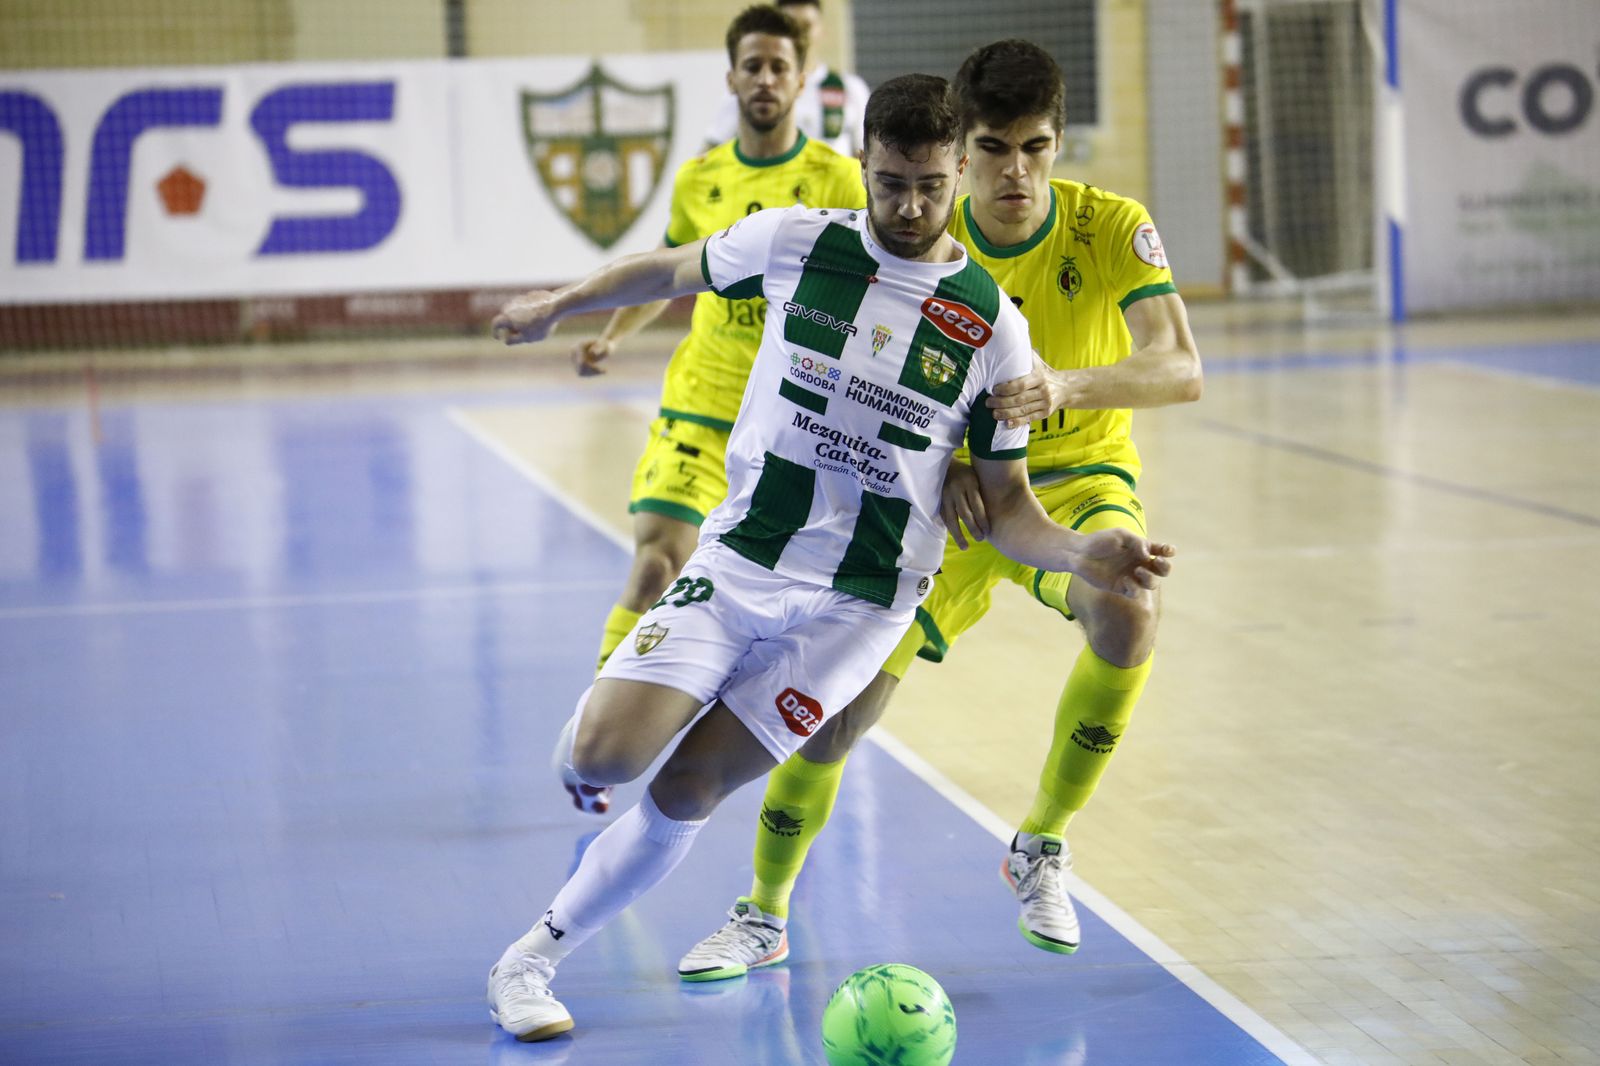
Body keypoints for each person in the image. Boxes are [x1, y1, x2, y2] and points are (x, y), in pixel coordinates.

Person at [484, 73, 1176, 1042]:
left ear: (953, 175)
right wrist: (561, 302)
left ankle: (530, 961)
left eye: (929, 185)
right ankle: (608, 740)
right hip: (740, 562)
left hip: (859, 608)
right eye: (890, 182)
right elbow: (669, 269)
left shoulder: (991, 326)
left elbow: (1008, 507)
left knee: (690, 788)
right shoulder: (795, 242)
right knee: (603, 756)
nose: (909, 206)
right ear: (863, 163)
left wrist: (1078, 552)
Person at [675, 38, 1203, 982]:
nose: (1016, 172)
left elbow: (1180, 366)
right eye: (995, 150)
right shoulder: (911, 239)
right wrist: (946, 457)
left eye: (1036, 148)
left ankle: (1040, 843)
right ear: (964, 151)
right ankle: (763, 911)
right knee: (832, 714)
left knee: (1129, 611)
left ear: (1058, 143)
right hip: (948, 503)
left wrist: (1062, 386)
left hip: (1073, 478)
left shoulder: (1111, 225)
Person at [567, 4, 864, 782]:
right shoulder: (702, 177)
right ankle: (598, 724)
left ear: (802, 79)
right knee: (656, 561)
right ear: (731, 76)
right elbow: (669, 267)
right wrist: (614, 334)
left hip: (789, 430)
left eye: (779, 67)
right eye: (752, 66)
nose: (764, 79)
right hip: (699, 405)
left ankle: (724, 735)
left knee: (769, 611)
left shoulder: (839, 180)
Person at [701, 0, 870, 157]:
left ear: (821, 30)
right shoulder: (753, 91)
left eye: (806, 26)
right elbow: (710, 149)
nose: (800, 34)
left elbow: (865, 156)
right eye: (791, 25)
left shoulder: (849, 88)